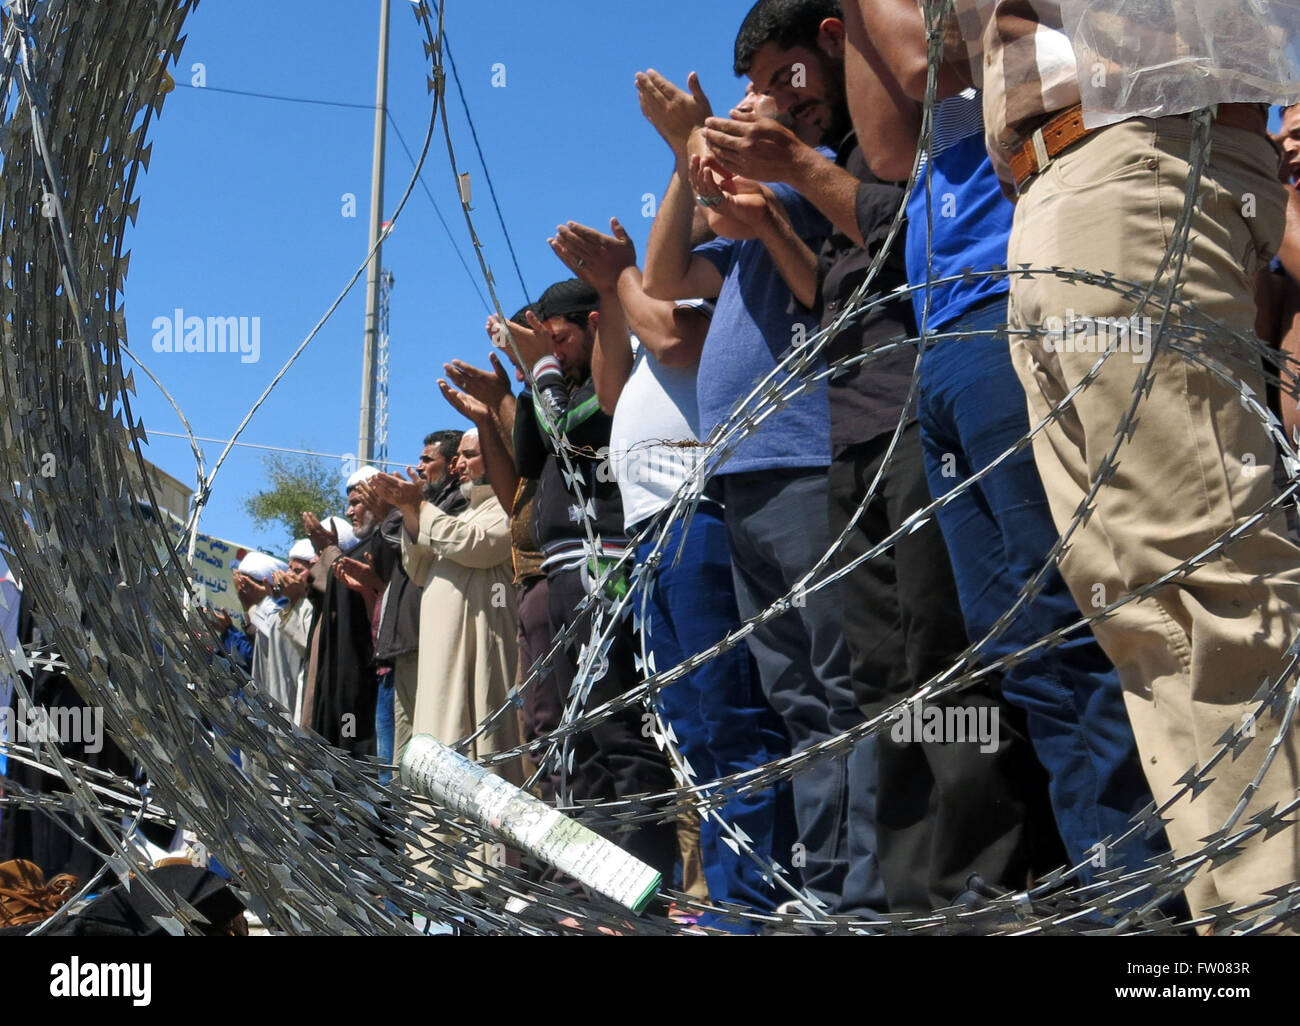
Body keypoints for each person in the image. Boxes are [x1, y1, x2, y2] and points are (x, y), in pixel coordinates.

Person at [921, 2, 1300, 922]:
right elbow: (919, 88)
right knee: (1133, 598)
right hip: (1056, 180)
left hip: (1141, 147)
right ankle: (1233, 916)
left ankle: (1269, 909)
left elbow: (1157, 28)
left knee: (1202, 571)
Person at [640, 66, 881, 915]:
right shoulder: (740, 231)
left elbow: (832, 295)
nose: (732, 116)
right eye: (727, 109)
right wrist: (682, 156)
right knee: (795, 697)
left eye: (750, 105)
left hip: (808, 459)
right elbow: (662, 279)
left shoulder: (821, 187)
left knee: (837, 682)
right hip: (741, 479)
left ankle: (864, 894)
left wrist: (769, 208)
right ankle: (826, 888)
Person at [550, 215, 797, 927]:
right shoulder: (642, 299)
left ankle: (754, 904)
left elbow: (670, 340)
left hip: (700, 512)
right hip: (653, 529)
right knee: (691, 728)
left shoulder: (712, 286)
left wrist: (623, 277)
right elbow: (612, 383)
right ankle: (727, 897)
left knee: (728, 716)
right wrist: (608, 287)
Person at [510, 278, 679, 880]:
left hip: (600, 567)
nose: (552, 353)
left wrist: (542, 372)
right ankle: (596, 883)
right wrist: (530, 375)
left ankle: (647, 879)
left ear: (592, 323)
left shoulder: (616, 385)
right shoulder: (564, 386)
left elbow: (567, 428)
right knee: (576, 735)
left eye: (559, 340)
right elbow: (531, 454)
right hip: (560, 577)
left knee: (618, 726)